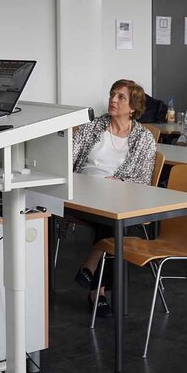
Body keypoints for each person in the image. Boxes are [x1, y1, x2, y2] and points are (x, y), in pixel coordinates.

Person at [71, 79, 157, 317]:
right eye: (112, 94)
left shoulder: (144, 138)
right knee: (114, 224)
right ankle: (95, 285)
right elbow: (69, 159)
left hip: (119, 196)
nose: (113, 100)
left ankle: (94, 283)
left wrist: (118, 183)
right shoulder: (91, 127)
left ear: (133, 107)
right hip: (84, 189)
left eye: (121, 97)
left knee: (113, 219)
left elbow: (143, 180)